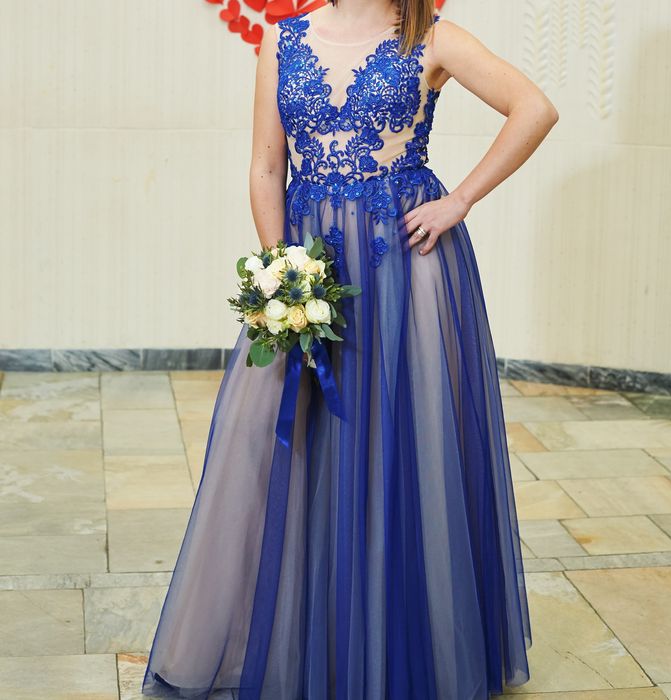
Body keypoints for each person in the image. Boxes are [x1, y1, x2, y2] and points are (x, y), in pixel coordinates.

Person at [142, 0, 558, 697]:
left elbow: (534, 109)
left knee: (402, 445)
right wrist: (283, 272)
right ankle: (309, 644)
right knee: (278, 440)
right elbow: (266, 168)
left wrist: (459, 200)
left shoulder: (432, 38)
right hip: (310, 269)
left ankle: (395, 653)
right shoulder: (283, 41)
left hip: (405, 271)